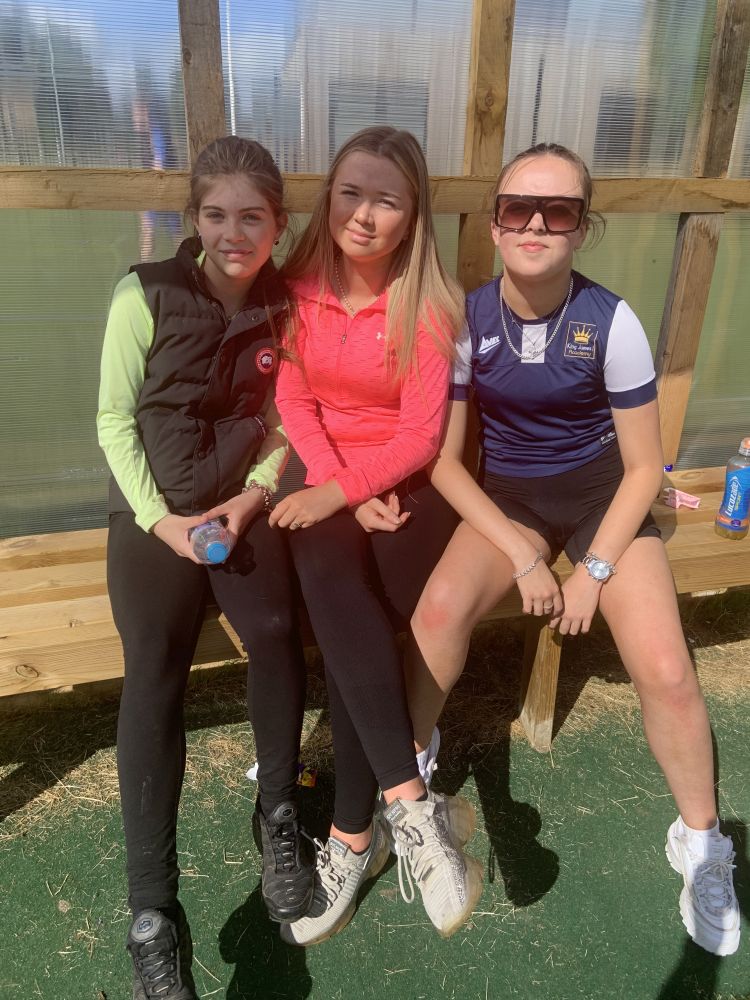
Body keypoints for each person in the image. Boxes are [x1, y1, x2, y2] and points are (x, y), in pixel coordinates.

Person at [406, 142, 740, 957]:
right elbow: (444, 462)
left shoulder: (611, 321)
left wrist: (592, 571)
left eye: (557, 211)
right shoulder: (467, 318)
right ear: (495, 223)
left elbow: (642, 469)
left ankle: (701, 844)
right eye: (517, 208)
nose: (535, 225)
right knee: (437, 613)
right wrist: (523, 556)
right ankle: (408, 793)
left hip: (603, 502)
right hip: (512, 503)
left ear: (581, 228)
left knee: (666, 669)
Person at [97, 136, 314, 999]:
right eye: (217, 215)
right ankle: (153, 914)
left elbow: (289, 419)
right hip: (151, 516)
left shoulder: (287, 306)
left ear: (277, 225)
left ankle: (279, 814)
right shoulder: (143, 293)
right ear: (193, 219)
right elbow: (113, 421)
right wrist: (163, 523)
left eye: (252, 217)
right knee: (154, 668)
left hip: (238, 508)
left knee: (276, 631)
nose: (234, 233)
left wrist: (253, 498)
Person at [270, 125, 484, 945]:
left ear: (412, 214)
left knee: (358, 626)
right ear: (329, 196)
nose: (362, 215)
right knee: (334, 583)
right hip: (320, 472)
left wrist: (354, 492)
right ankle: (409, 807)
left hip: (404, 484)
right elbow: (293, 401)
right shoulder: (296, 287)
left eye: (385, 200)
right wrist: (334, 490)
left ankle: (351, 841)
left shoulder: (429, 305)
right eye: (350, 193)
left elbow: (421, 437)